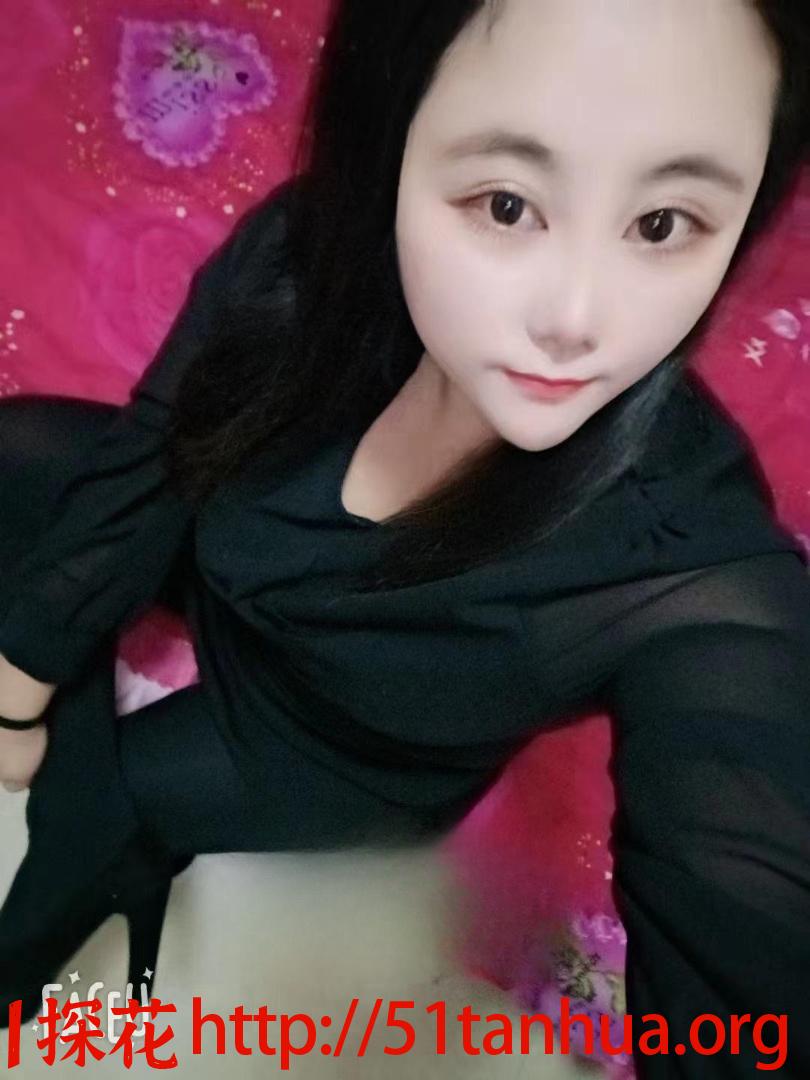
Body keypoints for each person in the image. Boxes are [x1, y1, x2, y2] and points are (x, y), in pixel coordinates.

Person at [1, 0, 809, 1073]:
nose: (577, 318)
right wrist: (22, 676)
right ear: (392, 137)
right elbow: (159, 455)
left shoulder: (694, 573)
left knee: (86, 820)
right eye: (508, 203)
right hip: (230, 569)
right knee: (24, 454)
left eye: (664, 224)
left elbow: (747, 967)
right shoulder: (308, 259)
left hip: (316, 751)